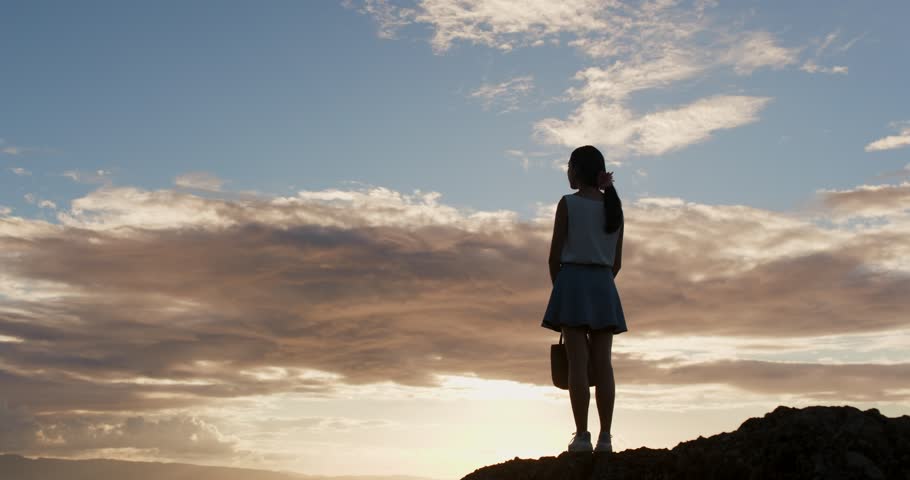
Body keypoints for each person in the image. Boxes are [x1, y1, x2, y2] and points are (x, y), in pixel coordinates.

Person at [540, 145, 626, 455]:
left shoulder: (568, 204)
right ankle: (606, 438)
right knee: (603, 365)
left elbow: (553, 257)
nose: (567, 171)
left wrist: (561, 290)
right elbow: (616, 262)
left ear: (577, 170)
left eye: (569, 166)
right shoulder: (613, 208)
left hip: (572, 283)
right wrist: (599, 283)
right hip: (604, 285)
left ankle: (582, 436)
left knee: (578, 364)